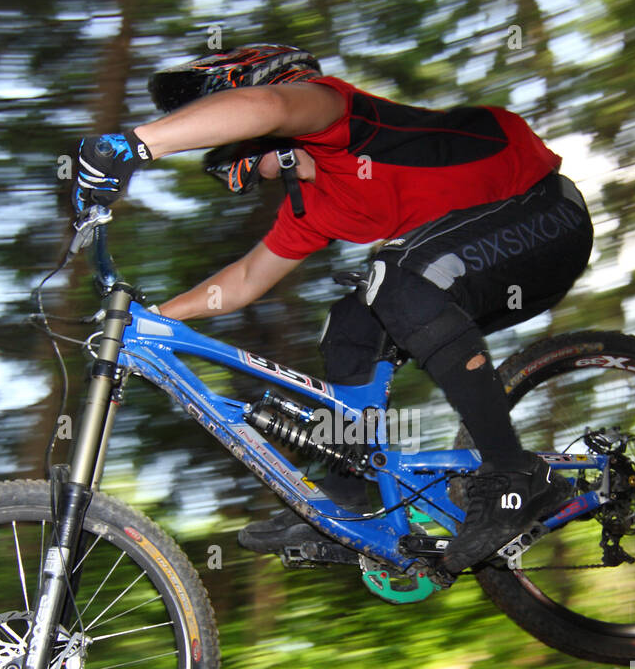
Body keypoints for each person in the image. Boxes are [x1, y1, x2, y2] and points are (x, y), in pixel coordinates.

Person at [72, 44, 593, 574]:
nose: (239, 171)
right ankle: (353, 496)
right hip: (484, 270)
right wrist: (154, 318)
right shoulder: (318, 207)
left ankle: (513, 474)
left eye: (238, 150)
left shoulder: (338, 115)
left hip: (547, 215)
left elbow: (272, 106)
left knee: (395, 277)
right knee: (350, 323)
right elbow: (246, 280)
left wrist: (133, 145)